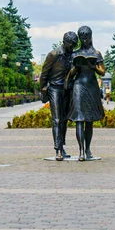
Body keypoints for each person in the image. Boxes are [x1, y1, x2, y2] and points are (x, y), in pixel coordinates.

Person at [65, 26, 106, 161]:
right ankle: (81, 151)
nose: (84, 40)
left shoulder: (96, 53)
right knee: (79, 119)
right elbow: (70, 74)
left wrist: (93, 66)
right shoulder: (75, 54)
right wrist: (76, 67)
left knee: (89, 120)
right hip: (79, 86)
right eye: (82, 38)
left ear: (91, 37)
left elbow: (103, 72)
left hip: (92, 86)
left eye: (86, 37)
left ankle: (88, 149)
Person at [40, 31, 78, 161]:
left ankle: (62, 146)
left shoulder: (72, 55)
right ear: (65, 42)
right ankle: (58, 150)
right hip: (55, 88)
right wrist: (43, 89)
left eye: (74, 45)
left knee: (64, 119)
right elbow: (44, 73)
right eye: (70, 45)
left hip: (67, 89)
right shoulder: (54, 54)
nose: (72, 47)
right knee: (56, 119)